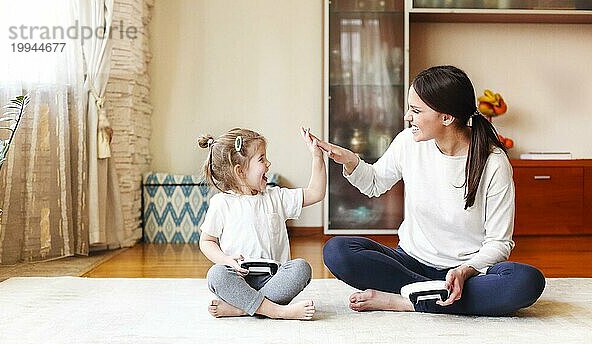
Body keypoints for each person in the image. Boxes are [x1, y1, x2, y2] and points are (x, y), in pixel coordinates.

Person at [315, 65, 546, 316]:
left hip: (467, 274)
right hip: (411, 262)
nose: (407, 117)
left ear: (446, 117)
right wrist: (350, 160)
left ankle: (404, 301)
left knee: (527, 282)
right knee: (338, 252)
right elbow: (374, 183)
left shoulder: (493, 162)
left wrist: (465, 270)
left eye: (415, 110)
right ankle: (437, 297)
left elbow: (499, 244)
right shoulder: (408, 142)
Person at [198, 127, 325, 320]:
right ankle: (277, 311)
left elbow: (316, 192)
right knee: (216, 275)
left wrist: (317, 157)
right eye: (261, 159)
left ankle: (242, 308)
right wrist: (225, 260)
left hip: (274, 280)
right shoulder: (221, 203)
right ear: (240, 171)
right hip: (238, 279)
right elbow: (207, 241)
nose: (268, 163)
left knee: (301, 268)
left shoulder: (276, 196)